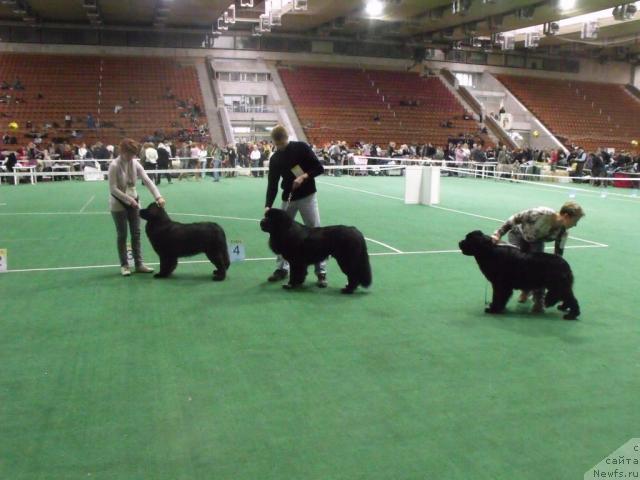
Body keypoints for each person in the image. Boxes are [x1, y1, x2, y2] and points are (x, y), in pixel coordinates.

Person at [490, 201, 585, 313]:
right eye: (575, 221)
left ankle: (539, 300)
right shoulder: (541, 213)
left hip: (536, 241)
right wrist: (498, 234)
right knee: (515, 265)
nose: (575, 225)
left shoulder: (563, 232)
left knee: (540, 269)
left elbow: (557, 256)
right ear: (566, 216)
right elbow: (514, 219)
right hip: (518, 234)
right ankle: (521, 292)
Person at [264, 125, 327, 287]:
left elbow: (319, 168)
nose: (280, 147)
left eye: (282, 143)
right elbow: (272, 184)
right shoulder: (275, 158)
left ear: (287, 138)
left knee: (315, 230)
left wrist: (304, 176)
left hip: (307, 196)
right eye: (277, 145)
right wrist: (268, 206)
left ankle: (321, 271)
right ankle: (282, 269)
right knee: (279, 232)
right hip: (289, 198)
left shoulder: (301, 148)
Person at [109, 138, 165, 276]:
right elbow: (113, 188)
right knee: (122, 235)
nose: (132, 157)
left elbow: (147, 180)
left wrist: (158, 196)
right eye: (130, 154)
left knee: (136, 234)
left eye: (134, 154)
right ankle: (124, 265)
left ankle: (139, 264)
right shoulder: (114, 165)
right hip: (118, 204)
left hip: (134, 201)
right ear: (122, 151)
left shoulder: (135, 163)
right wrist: (129, 200)